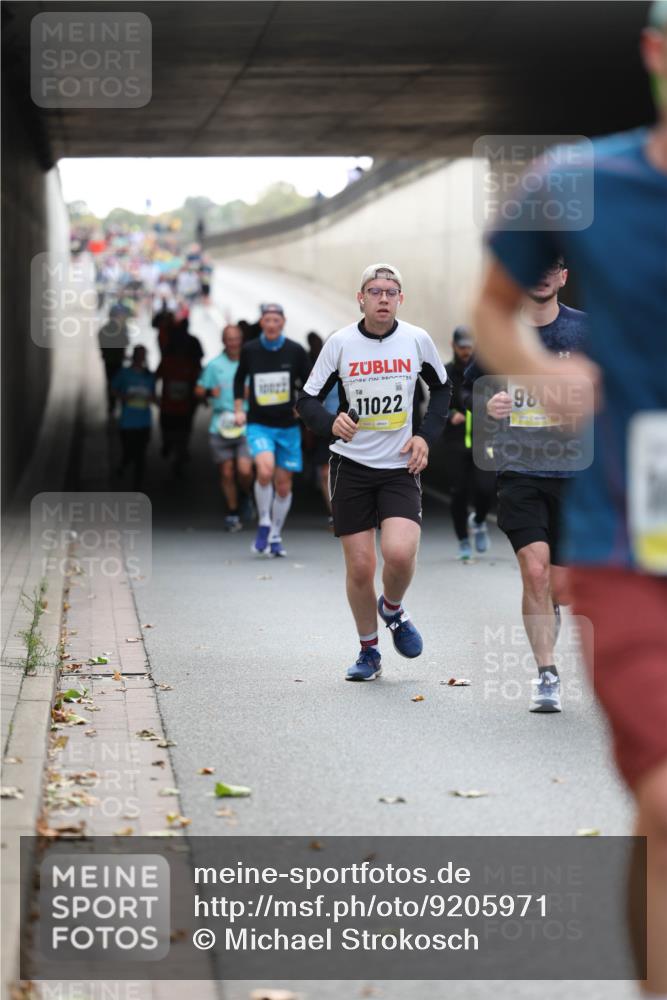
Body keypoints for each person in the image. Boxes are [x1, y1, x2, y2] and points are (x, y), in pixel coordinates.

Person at [472, 2, 667, 992]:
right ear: (653, 53)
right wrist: (541, 377)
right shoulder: (579, 183)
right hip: (630, 545)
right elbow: (491, 314)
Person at [296, 263, 450, 681]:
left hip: (400, 463)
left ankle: (393, 609)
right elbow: (307, 399)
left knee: (400, 553)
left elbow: (441, 389)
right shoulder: (341, 343)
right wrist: (329, 424)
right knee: (361, 567)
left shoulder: (417, 340)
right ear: (360, 298)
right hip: (352, 466)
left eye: (391, 291)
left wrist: (425, 437)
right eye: (375, 291)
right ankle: (369, 651)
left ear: (401, 299)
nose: (383, 298)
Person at [468, 260, 588, 712]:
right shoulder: (503, 333)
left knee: (561, 586)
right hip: (519, 472)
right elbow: (468, 390)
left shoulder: (585, 333)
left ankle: (552, 612)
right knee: (534, 571)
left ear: (563, 277)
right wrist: (487, 402)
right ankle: (547, 675)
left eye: (552, 267)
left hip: (576, 476)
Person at [233, 303, 311, 557]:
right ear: (262, 323)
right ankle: (264, 521)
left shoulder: (296, 351)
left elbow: (311, 381)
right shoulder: (250, 350)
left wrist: (303, 406)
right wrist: (238, 408)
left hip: (287, 426)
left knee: (284, 486)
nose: (272, 324)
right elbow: (239, 378)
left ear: (283, 322)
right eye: (267, 320)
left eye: (276, 320)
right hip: (259, 423)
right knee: (264, 470)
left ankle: (276, 534)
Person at [443, 326, 496, 561]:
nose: (466, 351)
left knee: (487, 489)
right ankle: (463, 540)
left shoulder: (486, 371)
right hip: (455, 443)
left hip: (483, 440)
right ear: (454, 346)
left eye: (469, 346)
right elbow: (435, 406)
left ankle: (479, 520)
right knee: (459, 493)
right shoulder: (446, 372)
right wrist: (451, 414)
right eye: (462, 346)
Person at [196, 324, 253, 532]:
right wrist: (210, 393)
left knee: (245, 470)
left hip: (246, 424)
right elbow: (199, 389)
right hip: (220, 425)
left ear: (242, 340)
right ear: (223, 341)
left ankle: (246, 493)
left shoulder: (251, 363)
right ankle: (233, 512)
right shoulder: (214, 365)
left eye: (237, 338)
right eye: (229, 339)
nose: (233, 343)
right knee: (227, 472)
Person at [155, 317, 203, 479]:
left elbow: (156, 376)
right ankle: (176, 449)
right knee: (181, 429)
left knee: (174, 428)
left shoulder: (172, 357)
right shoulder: (177, 358)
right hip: (181, 403)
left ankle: (175, 449)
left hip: (178, 403)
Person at [112, 345, 156, 490]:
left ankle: (138, 484)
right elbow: (113, 389)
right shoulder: (124, 374)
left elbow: (153, 396)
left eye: (143, 355)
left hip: (144, 422)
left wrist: (153, 399)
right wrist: (124, 397)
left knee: (141, 454)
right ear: (134, 356)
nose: (140, 358)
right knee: (129, 451)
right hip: (127, 422)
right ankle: (123, 465)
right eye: (138, 354)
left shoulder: (149, 376)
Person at [98, 305, 130, 416]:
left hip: (109, 361)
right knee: (120, 383)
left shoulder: (104, 329)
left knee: (110, 383)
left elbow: (101, 343)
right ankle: (121, 404)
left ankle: (112, 405)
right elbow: (126, 342)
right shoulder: (120, 329)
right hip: (118, 360)